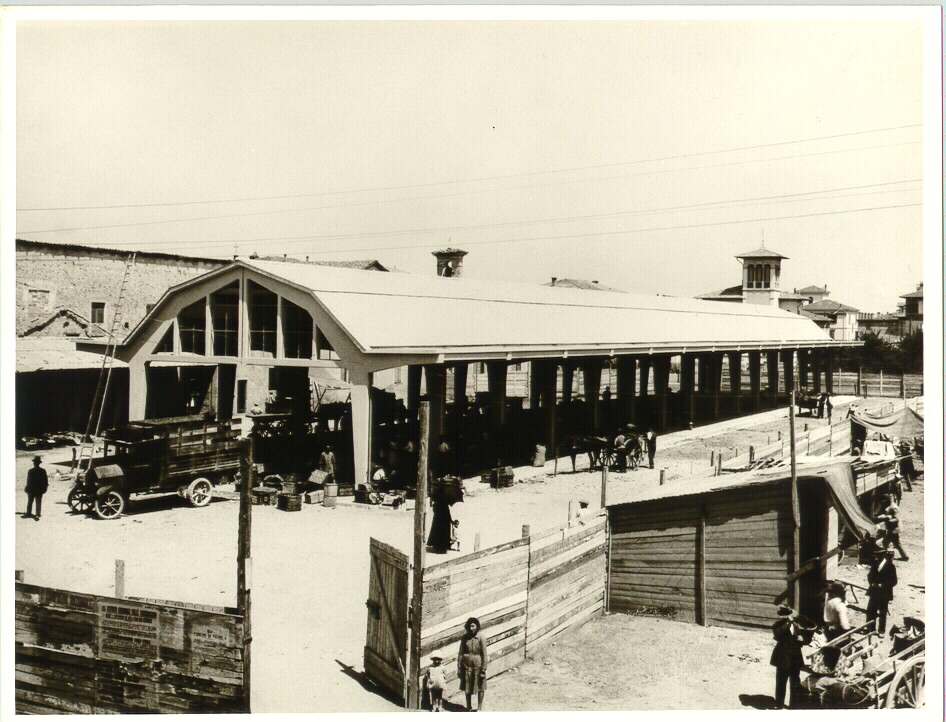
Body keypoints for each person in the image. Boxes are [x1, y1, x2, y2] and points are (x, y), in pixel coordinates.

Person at [770, 604, 804, 709]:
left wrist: (803, 639)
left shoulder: (798, 625)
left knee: (795, 682)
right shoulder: (778, 625)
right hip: (783, 656)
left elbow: (807, 637)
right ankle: (779, 703)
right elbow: (777, 635)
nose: (790, 616)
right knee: (781, 681)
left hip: (795, 657)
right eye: (786, 615)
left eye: (790, 614)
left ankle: (795, 705)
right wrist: (787, 623)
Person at [457, 617, 488, 711]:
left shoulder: (481, 637)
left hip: (478, 666)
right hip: (466, 666)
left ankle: (479, 707)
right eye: (469, 626)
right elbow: (460, 653)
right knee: (467, 686)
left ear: (477, 626)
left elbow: (484, 654)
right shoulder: (464, 638)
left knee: (480, 686)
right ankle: (468, 706)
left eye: (473, 626)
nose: (471, 628)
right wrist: (459, 667)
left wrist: (483, 669)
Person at [866, 549, 898, 634]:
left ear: (883, 556)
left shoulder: (891, 566)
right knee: (871, 611)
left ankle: (881, 630)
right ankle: (871, 629)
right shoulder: (875, 564)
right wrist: (872, 583)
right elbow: (870, 576)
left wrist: (883, 585)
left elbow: (894, 581)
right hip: (874, 592)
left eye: (878, 556)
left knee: (882, 613)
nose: (876, 557)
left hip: (884, 594)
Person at [25, 455, 49, 521]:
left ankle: (29, 513)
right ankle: (38, 514)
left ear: (34, 463)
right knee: (38, 502)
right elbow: (45, 481)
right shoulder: (43, 471)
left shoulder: (30, 471)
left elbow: (29, 481)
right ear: (39, 463)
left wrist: (27, 488)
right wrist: (45, 488)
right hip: (39, 489)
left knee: (30, 501)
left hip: (32, 489)